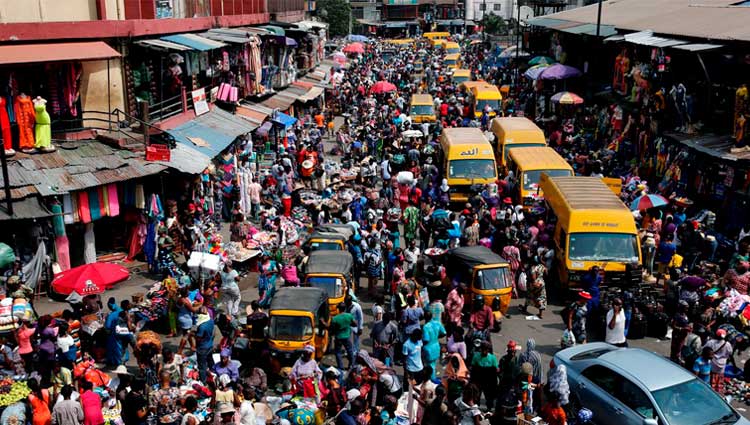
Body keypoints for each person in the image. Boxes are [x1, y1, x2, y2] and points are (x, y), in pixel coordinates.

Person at [704, 329, 733, 395]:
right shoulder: (727, 344)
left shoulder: (711, 342)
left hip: (712, 364)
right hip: (722, 366)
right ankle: (718, 393)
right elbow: (730, 353)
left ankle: (711, 391)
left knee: (711, 379)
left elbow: (704, 349)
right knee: (719, 380)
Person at [470, 341, 498, 410]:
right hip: (478, 380)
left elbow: (495, 370)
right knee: (476, 396)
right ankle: (476, 410)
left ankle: (489, 409)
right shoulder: (476, 357)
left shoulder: (492, 358)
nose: (484, 351)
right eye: (483, 349)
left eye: (486, 349)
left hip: (488, 382)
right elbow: (472, 368)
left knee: (489, 397)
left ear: (488, 350)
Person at [331, 303, 356, 370]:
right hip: (347, 336)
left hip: (338, 337)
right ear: (345, 308)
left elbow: (332, 328)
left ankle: (341, 367)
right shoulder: (349, 316)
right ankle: (351, 365)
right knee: (350, 351)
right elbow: (355, 324)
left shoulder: (335, 318)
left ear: (338, 309)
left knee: (338, 352)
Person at [422, 311, 446, 380]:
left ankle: (431, 380)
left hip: (429, 349)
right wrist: (436, 337)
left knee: (430, 367)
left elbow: (426, 339)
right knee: (433, 365)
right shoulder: (437, 323)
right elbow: (444, 332)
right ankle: (432, 379)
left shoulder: (426, 327)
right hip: (436, 346)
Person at [194, 308, 215, 382]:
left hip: (202, 348)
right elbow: (213, 333)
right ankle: (214, 374)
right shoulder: (211, 321)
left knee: (202, 366)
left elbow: (199, 338)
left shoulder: (202, 326)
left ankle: (204, 381)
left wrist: (193, 334)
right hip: (209, 345)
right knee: (210, 360)